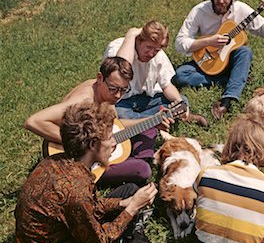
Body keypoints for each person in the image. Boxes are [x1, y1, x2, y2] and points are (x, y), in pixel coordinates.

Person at [15, 102, 162, 243]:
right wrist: (132, 208)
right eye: (110, 138)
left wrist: (124, 203)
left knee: (130, 190)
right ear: (93, 144)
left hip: (63, 231)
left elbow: (89, 206)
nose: (114, 143)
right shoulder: (75, 189)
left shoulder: (57, 161)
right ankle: (128, 240)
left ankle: (129, 236)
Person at [24, 56, 172, 187]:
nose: (118, 95)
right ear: (100, 78)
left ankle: (127, 158)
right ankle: (132, 162)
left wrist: (152, 120)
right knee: (142, 170)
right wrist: (84, 142)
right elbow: (34, 121)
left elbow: (116, 126)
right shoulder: (83, 101)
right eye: (113, 89)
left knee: (150, 128)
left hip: (101, 145)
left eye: (123, 90)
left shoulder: (105, 94)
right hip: (81, 160)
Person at [173, 0, 264, 119]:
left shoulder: (241, 10)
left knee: (245, 52)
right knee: (180, 75)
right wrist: (208, 41)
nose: (221, 1)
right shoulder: (199, 11)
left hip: (230, 60)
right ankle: (233, 79)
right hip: (206, 61)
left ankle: (227, 101)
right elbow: (179, 43)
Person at [104, 22, 208, 127]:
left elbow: (166, 85)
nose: (151, 54)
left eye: (156, 50)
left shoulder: (158, 55)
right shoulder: (118, 47)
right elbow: (120, 67)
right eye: (148, 47)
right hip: (120, 101)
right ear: (139, 40)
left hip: (144, 99)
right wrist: (131, 35)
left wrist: (180, 102)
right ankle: (155, 121)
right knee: (117, 115)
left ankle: (150, 122)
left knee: (180, 100)